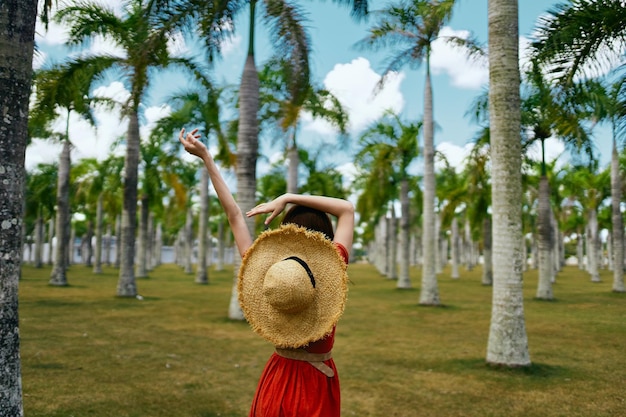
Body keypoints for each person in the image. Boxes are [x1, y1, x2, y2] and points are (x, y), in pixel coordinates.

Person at [179, 128, 354, 417]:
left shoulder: (270, 274)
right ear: (323, 236)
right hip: (316, 380)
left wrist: (206, 158)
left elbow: (234, 214)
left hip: (278, 376)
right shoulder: (333, 265)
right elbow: (346, 209)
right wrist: (288, 196)